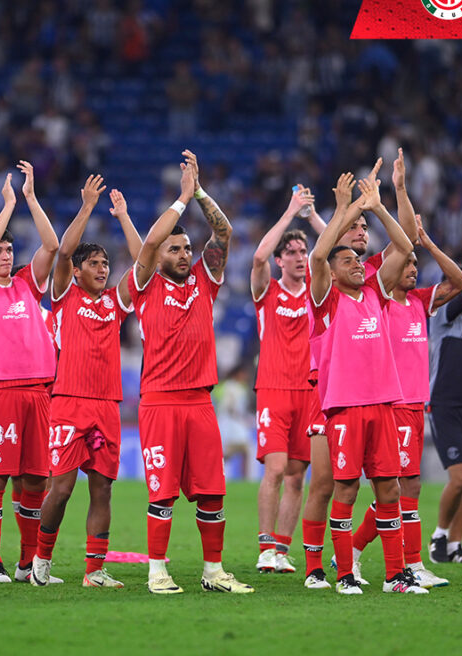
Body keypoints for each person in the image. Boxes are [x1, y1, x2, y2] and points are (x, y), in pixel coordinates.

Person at [128, 150, 253, 595]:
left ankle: (213, 571)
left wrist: (198, 192)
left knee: (212, 493)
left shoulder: (205, 280)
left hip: (200, 401)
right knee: (161, 493)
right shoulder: (142, 285)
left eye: (186, 248)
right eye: (175, 248)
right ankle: (157, 570)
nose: (184, 254)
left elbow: (224, 231)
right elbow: (145, 247)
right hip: (160, 401)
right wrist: (180, 201)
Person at [308, 172, 426, 596]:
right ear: (334, 272)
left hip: (384, 405)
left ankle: (396, 576)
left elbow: (406, 246)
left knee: (389, 488)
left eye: (358, 260)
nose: (358, 264)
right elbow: (318, 258)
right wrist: (344, 208)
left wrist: (377, 207)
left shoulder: (376, 290)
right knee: (345, 487)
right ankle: (343, 575)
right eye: (349, 261)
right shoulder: (327, 300)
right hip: (345, 407)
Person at [30, 178, 142, 589]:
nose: (102, 270)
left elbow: (144, 262)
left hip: (107, 406)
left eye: (105, 265)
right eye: (93, 264)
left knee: (102, 491)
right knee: (60, 487)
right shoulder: (64, 297)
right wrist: (88, 208)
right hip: (69, 403)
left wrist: (125, 217)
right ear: (76, 272)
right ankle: (41, 560)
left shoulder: (115, 303)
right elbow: (61, 251)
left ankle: (94, 571)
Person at [346, 215, 462, 588]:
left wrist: (429, 246)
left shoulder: (419, 302)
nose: (414, 269)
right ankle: (399, 561)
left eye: (417, 265)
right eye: (409, 264)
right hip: (392, 405)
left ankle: (369, 554)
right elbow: (399, 246)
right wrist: (392, 199)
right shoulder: (377, 300)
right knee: (398, 488)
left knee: (408, 488)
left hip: (418, 406)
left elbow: (460, 282)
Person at [0, 161, 60, 585]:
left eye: (9, 250)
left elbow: (53, 247)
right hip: (1, 392)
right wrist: (6, 205)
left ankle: (26, 565)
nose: (5, 256)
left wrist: (31, 200)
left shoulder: (25, 283)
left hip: (39, 393)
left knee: (35, 482)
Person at [249, 185, 325, 577]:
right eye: (292, 253)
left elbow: (331, 251)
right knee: (276, 469)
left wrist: (311, 218)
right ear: (281, 260)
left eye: (303, 253)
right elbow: (259, 255)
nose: (299, 258)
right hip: (274, 390)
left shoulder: (316, 292)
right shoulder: (267, 290)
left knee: (297, 476)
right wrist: (290, 211)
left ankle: (281, 550)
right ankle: (264, 547)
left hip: (309, 393)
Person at [426, 294, 462, 565]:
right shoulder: (443, 315)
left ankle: (454, 546)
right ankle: (439, 536)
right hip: (445, 406)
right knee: (460, 477)